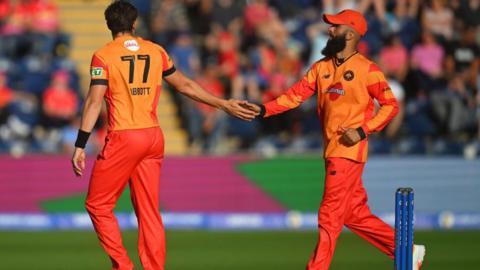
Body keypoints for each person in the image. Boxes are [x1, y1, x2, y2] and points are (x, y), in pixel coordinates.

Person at [70, 1, 256, 270]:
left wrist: (80, 144)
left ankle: (123, 265)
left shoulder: (103, 56)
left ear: (109, 25)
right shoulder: (155, 50)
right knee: (148, 211)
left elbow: (93, 102)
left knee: (97, 204)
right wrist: (223, 103)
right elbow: (185, 85)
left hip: (125, 136)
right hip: (154, 137)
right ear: (134, 24)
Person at [243, 9, 425, 270]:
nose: (328, 31)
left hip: (349, 151)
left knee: (329, 214)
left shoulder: (367, 69)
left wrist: (363, 130)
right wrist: (262, 109)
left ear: (350, 34)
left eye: (334, 27)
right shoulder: (321, 68)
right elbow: (293, 96)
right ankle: (404, 250)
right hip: (332, 150)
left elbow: (390, 106)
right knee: (353, 213)